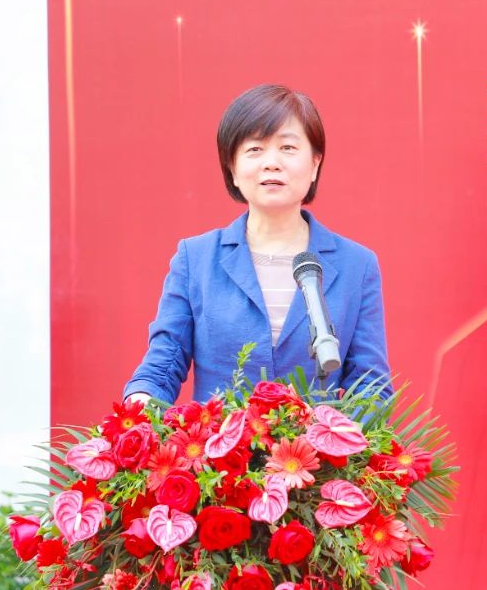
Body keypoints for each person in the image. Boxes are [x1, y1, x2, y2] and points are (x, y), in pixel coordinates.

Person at [124, 84, 391, 404]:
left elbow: (370, 386)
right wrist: (138, 406)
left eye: (288, 147)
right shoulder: (195, 259)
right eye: (255, 149)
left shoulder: (356, 265)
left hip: (314, 440)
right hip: (218, 437)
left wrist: (343, 433)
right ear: (233, 169)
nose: (272, 162)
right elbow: (162, 366)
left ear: (315, 163)